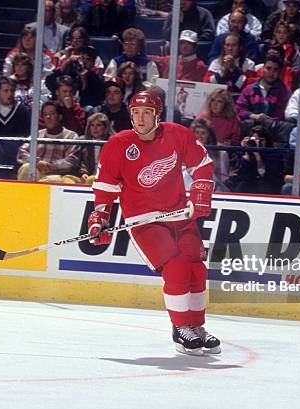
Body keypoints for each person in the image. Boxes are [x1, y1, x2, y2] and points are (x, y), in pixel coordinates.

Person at [87, 90, 220, 355]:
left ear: (157, 115)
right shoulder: (118, 144)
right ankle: (180, 328)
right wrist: (99, 218)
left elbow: (202, 163)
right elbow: (105, 188)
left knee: (197, 269)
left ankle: (197, 326)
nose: (140, 118)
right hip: (144, 221)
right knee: (177, 266)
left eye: (147, 112)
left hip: (179, 214)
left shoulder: (176, 134)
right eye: (136, 113)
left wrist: (200, 194)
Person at [16, 101, 85, 183]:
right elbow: (21, 153)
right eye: (45, 114)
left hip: (59, 175)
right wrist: (37, 162)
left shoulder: (71, 136)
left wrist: (50, 165)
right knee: (26, 168)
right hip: (38, 171)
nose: (48, 117)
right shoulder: (37, 134)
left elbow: (72, 161)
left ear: (60, 116)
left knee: (50, 180)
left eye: (52, 114)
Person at [229, 124, 284, 194]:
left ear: (267, 141)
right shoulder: (243, 152)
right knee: (241, 185)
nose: (257, 143)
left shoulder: (274, 154)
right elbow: (240, 173)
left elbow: (265, 176)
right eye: (254, 140)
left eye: (261, 140)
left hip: (267, 185)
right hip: (247, 184)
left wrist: (258, 156)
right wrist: (245, 151)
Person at [236, 55, 291, 124]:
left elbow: (281, 115)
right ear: (262, 69)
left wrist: (265, 121)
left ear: (280, 72)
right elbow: (239, 109)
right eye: (268, 68)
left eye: (275, 70)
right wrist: (254, 116)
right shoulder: (249, 89)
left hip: (273, 130)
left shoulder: (285, 92)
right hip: (249, 128)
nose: (271, 73)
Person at [80, 112, 116, 183]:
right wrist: (83, 173)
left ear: (105, 127)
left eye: (98, 125)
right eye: (92, 125)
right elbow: (80, 162)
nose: (95, 128)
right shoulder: (83, 141)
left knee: (91, 180)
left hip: (107, 178)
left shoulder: (113, 142)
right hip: (87, 176)